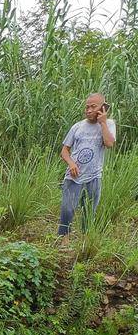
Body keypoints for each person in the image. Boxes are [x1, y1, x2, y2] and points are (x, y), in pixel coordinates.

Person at [58, 93, 116, 237]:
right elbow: (64, 151)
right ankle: (64, 240)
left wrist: (102, 122)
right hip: (74, 175)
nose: (89, 110)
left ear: (103, 107)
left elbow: (109, 143)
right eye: (87, 107)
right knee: (67, 209)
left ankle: (85, 239)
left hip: (94, 175)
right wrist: (71, 163)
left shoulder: (109, 124)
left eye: (93, 107)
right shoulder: (77, 127)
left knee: (89, 210)